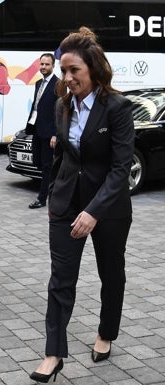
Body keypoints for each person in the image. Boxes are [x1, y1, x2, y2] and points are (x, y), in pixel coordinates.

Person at [30, 27, 134, 383]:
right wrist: (55, 195)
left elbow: (121, 169)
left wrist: (93, 211)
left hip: (108, 209)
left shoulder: (117, 108)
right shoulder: (62, 105)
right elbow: (66, 157)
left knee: (111, 274)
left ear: (93, 68)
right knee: (60, 280)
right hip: (66, 205)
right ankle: (53, 353)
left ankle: (106, 332)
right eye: (64, 70)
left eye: (74, 70)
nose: (68, 77)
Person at [27, 53, 59, 209]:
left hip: (49, 132)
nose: (44, 67)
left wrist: (55, 133)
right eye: (42, 64)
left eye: (47, 64)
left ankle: (42, 198)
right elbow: (36, 105)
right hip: (37, 129)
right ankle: (53, 188)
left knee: (47, 166)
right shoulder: (38, 83)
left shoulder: (58, 84)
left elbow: (60, 111)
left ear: (53, 66)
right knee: (37, 162)